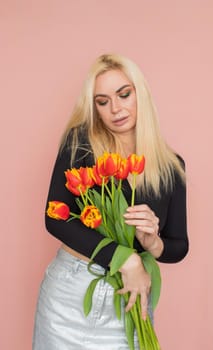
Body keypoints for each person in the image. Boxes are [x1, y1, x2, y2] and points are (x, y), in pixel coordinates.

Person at [33, 53, 189, 350]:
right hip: (70, 294)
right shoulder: (80, 145)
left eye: (124, 94)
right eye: (102, 102)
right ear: (95, 109)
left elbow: (178, 245)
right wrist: (126, 258)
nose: (115, 109)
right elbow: (55, 218)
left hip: (129, 299)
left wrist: (153, 242)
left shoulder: (171, 166)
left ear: (139, 93)